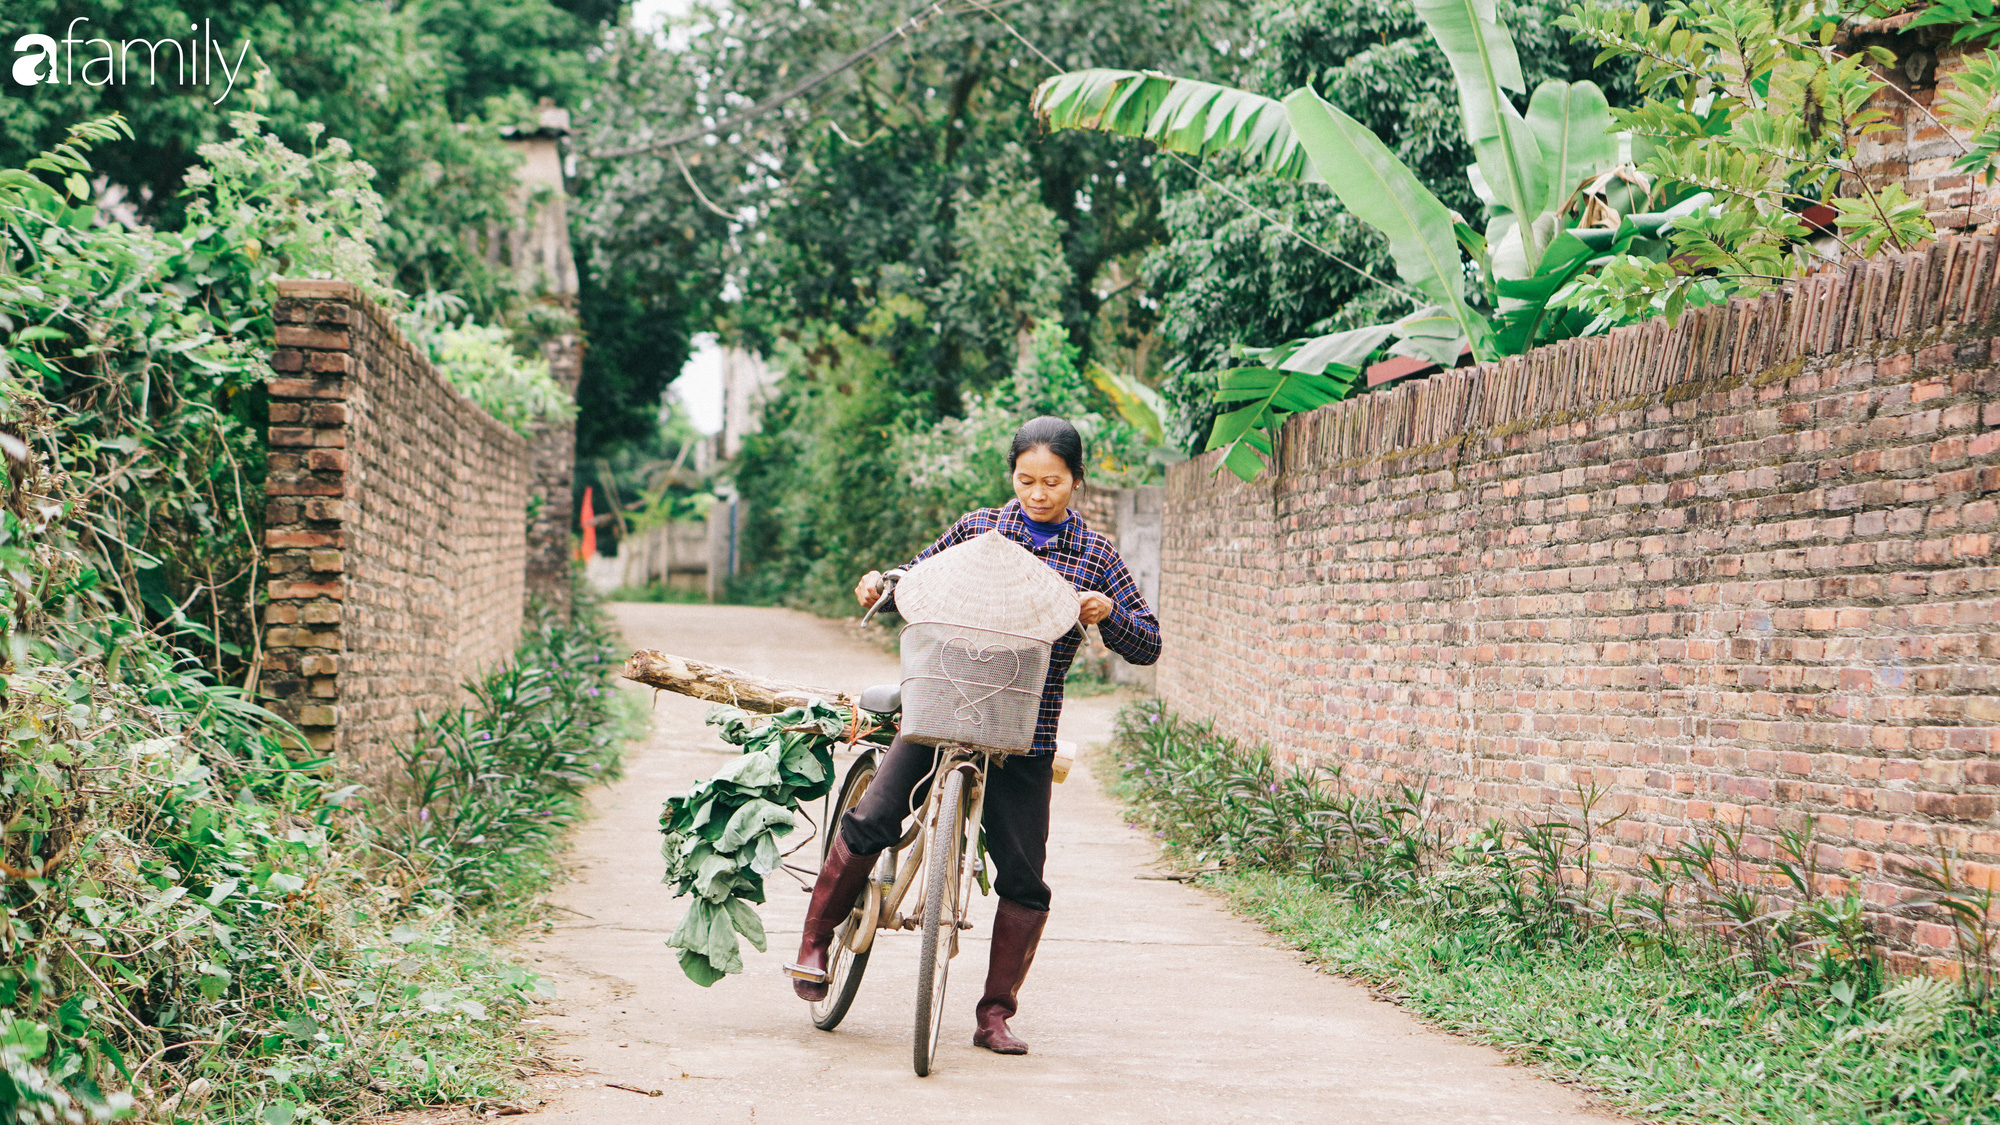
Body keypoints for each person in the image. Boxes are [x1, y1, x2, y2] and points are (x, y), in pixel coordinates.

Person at [785, 415, 1162, 1055]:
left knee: (1025, 876)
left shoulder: (1094, 557)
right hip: (943, 709)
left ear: (1076, 481)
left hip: (1027, 731)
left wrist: (1109, 612)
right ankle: (815, 940)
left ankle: (994, 1015)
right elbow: (920, 573)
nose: (1039, 494)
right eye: (1026, 480)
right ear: (1011, 476)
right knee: (873, 818)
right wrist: (883, 580)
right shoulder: (980, 529)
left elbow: (1148, 644)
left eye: (1053, 482)